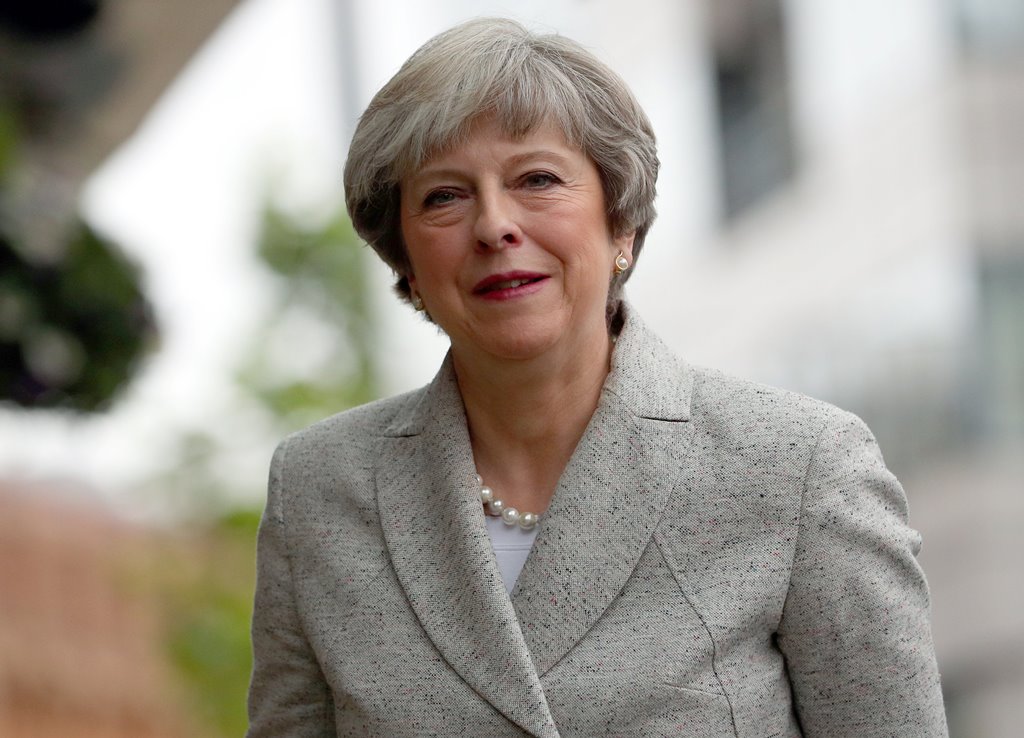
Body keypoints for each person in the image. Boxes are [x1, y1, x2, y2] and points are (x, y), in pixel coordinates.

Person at [246, 17, 947, 737]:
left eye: (537, 180)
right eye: (444, 196)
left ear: (621, 225)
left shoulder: (800, 466)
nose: (494, 226)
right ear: (407, 263)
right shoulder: (317, 492)